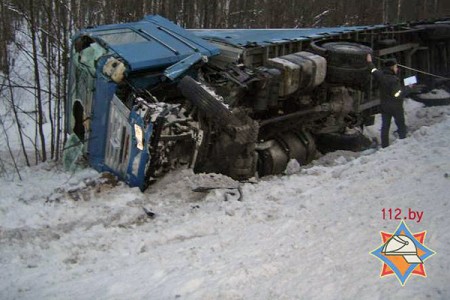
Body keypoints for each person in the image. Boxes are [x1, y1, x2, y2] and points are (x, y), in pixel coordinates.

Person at [367, 54, 407, 148]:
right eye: (396, 67)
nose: (397, 69)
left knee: (385, 127)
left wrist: (369, 62)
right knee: (401, 124)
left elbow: (373, 70)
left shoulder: (380, 75)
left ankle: (385, 146)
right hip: (396, 107)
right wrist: (408, 89)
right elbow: (397, 94)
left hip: (385, 106)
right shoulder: (394, 80)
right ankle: (404, 141)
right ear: (392, 67)